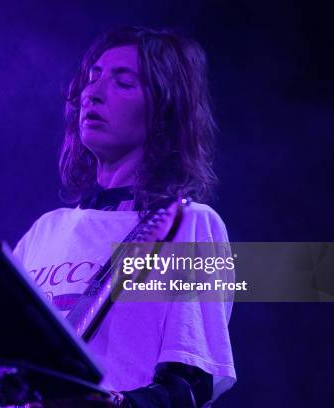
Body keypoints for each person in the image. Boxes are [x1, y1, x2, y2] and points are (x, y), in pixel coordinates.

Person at [13, 27, 236, 407]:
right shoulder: (44, 231)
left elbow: (190, 382)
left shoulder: (189, 224)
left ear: (165, 110)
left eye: (123, 82)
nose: (92, 93)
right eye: (92, 77)